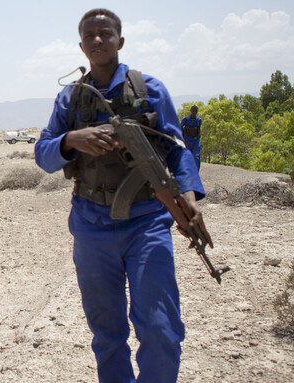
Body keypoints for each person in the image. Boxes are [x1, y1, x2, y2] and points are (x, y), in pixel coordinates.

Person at [35, 9, 206, 383]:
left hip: (148, 221)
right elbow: (43, 154)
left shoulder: (149, 90)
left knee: (160, 327)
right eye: (90, 35)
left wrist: (189, 191)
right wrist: (70, 140)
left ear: (120, 40)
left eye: (106, 33)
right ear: (81, 47)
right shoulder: (70, 99)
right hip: (91, 225)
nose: (98, 40)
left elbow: (178, 149)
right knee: (107, 333)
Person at [181, 105, 202, 170]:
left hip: (195, 141)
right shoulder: (185, 120)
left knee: (196, 157)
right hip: (187, 141)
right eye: (193, 111)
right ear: (190, 111)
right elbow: (180, 128)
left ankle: (196, 172)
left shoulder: (198, 120)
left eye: (195, 111)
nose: (194, 112)